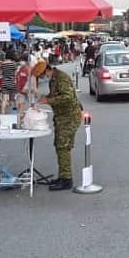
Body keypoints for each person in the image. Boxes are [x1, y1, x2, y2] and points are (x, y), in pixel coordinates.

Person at [33, 61, 81, 191]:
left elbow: (68, 97)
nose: (42, 78)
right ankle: (62, 176)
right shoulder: (53, 80)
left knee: (63, 147)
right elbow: (56, 95)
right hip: (61, 117)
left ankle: (66, 180)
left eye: (41, 76)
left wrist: (48, 100)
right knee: (59, 146)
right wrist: (46, 98)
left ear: (46, 71)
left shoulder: (61, 78)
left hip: (69, 117)